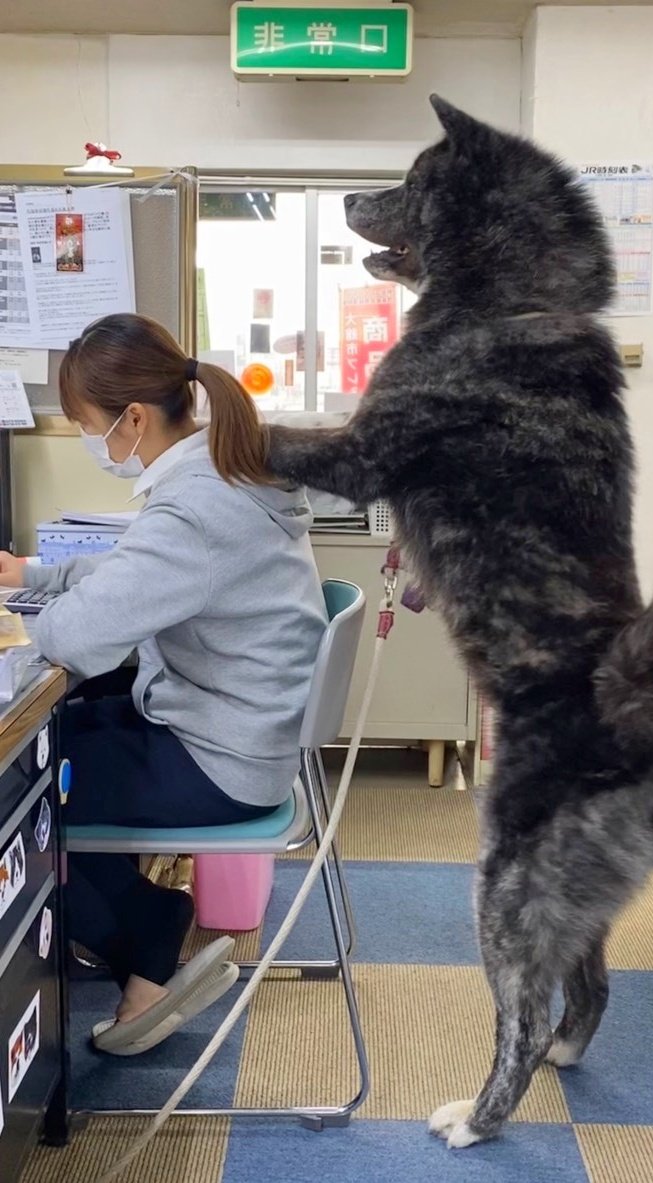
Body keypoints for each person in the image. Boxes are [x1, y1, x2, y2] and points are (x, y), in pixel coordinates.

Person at [0, 313, 327, 1055]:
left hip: (220, 758)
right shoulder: (220, 469)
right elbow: (137, 572)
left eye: (89, 426)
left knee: (19, 782)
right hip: (228, 729)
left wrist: (31, 617)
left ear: (134, 418)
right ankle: (134, 924)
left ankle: (144, 936)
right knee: (58, 737)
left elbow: (80, 636)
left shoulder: (196, 507)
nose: (93, 442)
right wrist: (42, 578)